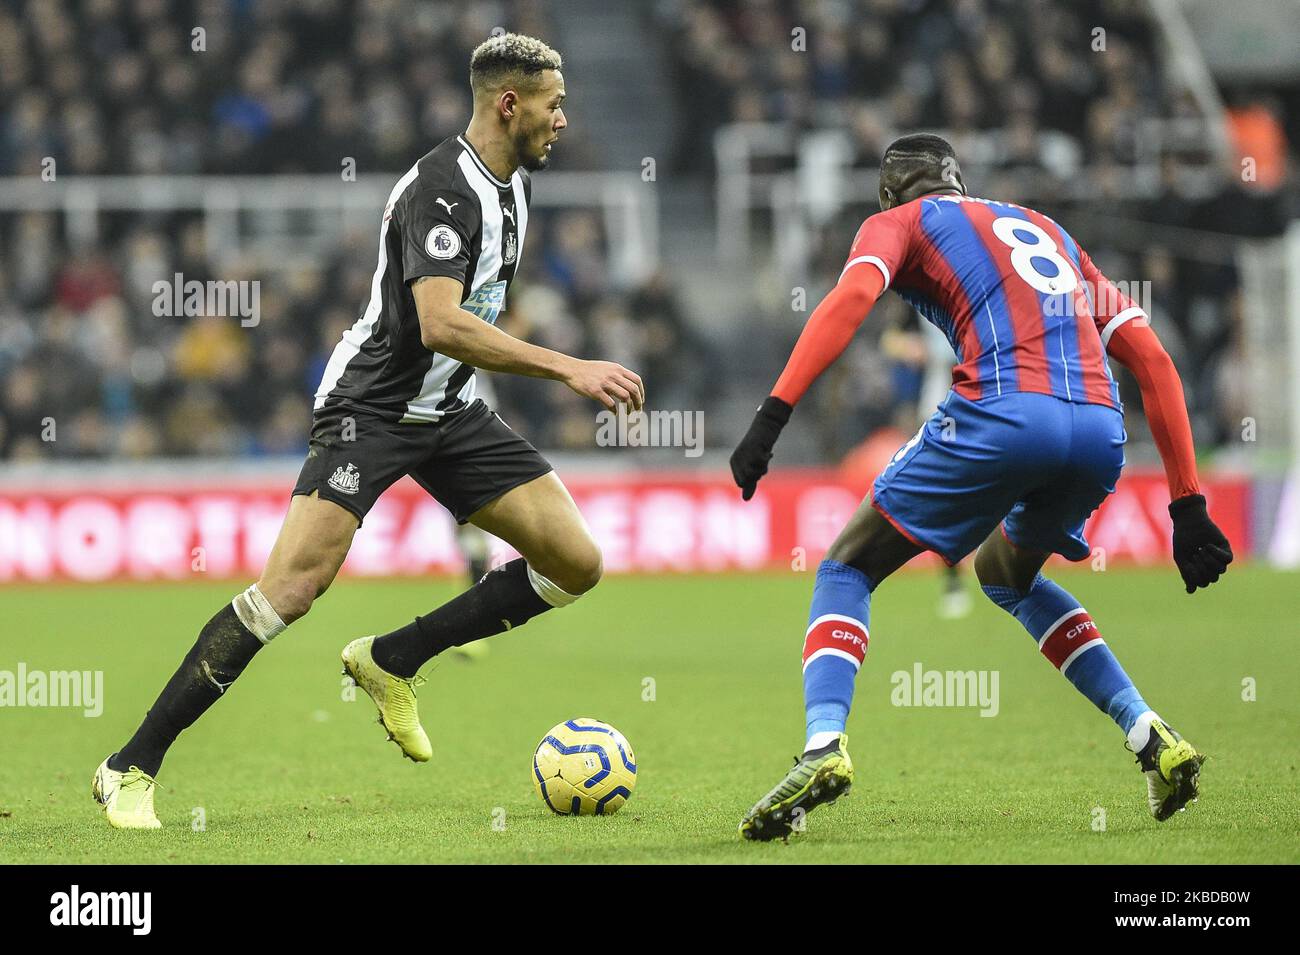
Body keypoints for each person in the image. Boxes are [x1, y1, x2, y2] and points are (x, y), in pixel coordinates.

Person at [93, 33, 644, 829]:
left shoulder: (515, 186)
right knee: (291, 589)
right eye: (555, 104)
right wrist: (568, 367)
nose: (565, 119)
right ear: (508, 103)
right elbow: (440, 322)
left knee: (575, 561)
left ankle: (393, 658)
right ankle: (130, 764)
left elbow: (475, 313)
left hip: (448, 408)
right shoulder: (442, 189)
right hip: (373, 407)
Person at [730, 133, 1232, 841]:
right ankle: (1150, 734)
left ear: (888, 194)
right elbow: (1150, 356)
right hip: (1098, 429)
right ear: (957, 180)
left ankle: (822, 745)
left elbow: (849, 301)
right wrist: (1188, 504)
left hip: (1002, 414)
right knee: (1008, 575)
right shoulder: (1048, 230)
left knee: (848, 564)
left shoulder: (896, 224)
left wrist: (771, 415)